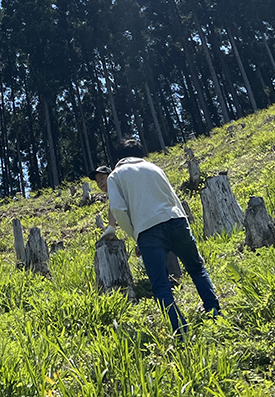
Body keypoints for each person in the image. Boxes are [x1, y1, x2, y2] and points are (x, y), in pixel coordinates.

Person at [94, 138, 220, 335]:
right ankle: (215, 313)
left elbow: (117, 209)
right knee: (197, 269)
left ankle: (180, 331)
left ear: (118, 158)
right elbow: (173, 197)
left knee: (160, 285)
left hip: (147, 230)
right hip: (176, 219)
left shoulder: (115, 175)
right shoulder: (154, 167)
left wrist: (136, 235)